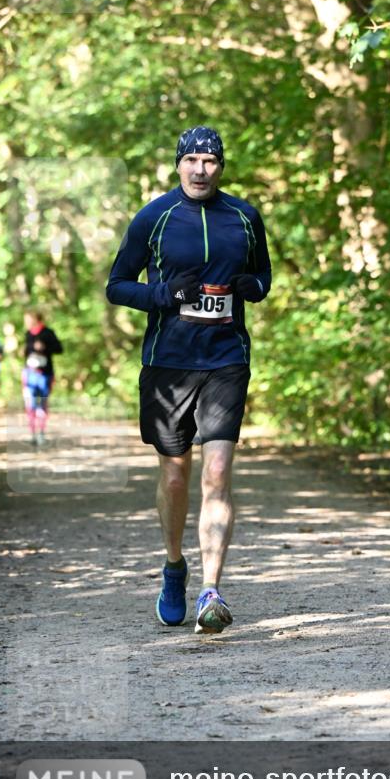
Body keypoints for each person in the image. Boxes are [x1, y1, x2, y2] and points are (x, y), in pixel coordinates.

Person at [106, 126, 272, 635]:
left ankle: (212, 590)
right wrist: (162, 296)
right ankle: (175, 568)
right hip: (168, 363)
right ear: (178, 165)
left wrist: (252, 288)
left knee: (217, 473)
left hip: (225, 360)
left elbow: (264, 277)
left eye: (211, 161)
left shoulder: (244, 216)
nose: (202, 169)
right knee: (176, 477)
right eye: (193, 160)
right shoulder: (154, 218)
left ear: (222, 168)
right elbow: (117, 286)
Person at [22, 310, 63, 446]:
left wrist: (45, 348)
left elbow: (59, 349)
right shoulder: (28, 334)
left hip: (45, 374)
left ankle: (41, 433)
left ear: (35, 319)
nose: (26, 322)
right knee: (31, 404)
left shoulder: (48, 333)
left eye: (28, 319)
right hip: (30, 373)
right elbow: (26, 352)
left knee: (42, 403)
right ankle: (33, 433)